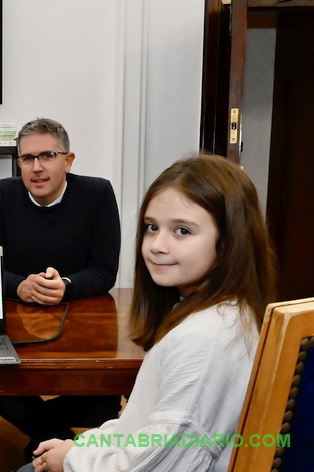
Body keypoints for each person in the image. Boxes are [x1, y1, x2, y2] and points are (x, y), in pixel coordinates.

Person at [21, 153, 276, 472]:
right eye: (152, 227)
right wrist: (85, 444)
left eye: (182, 231)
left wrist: (72, 459)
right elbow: (143, 429)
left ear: (228, 242)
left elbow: (157, 464)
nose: (157, 245)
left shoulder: (202, 340)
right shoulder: (221, 313)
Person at [0, 117, 122, 457]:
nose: (36, 167)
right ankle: (62, 444)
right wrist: (20, 286)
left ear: (68, 161)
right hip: (15, 320)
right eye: (27, 158)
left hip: (82, 320)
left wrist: (66, 286)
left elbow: (104, 271)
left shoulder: (97, 193)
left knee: (103, 388)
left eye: (47, 156)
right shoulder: (0, 194)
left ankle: (44, 441)